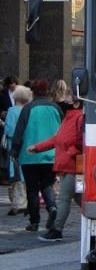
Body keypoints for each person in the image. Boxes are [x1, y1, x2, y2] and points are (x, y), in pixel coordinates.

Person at [28, 97, 84, 242]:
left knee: (64, 198)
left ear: (76, 103)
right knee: (78, 197)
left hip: (72, 165)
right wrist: (38, 147)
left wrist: (70, 153)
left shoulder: (77, 118)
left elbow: (80, 142)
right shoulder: (69, 118)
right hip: (70, 164)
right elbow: (57, 139)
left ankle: (57, 229)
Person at [10, 78, 62, 232]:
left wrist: (14, 151)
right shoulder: (55, 108)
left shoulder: (28, 108)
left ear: (33, 92)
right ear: (47, 92)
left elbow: (19, 132)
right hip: (52, 154)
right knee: (47, 185)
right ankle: (52, 207)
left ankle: (34, 222)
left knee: (32, 189)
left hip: (29, 154)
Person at [1, 84, 32, 215]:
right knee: (25, 173)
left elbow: (9, 129)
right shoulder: (29, 110)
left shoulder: (12, 110)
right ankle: (27, 201)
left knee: (15, 173)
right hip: (27, 145)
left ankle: (18, 203)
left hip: (13, 144)